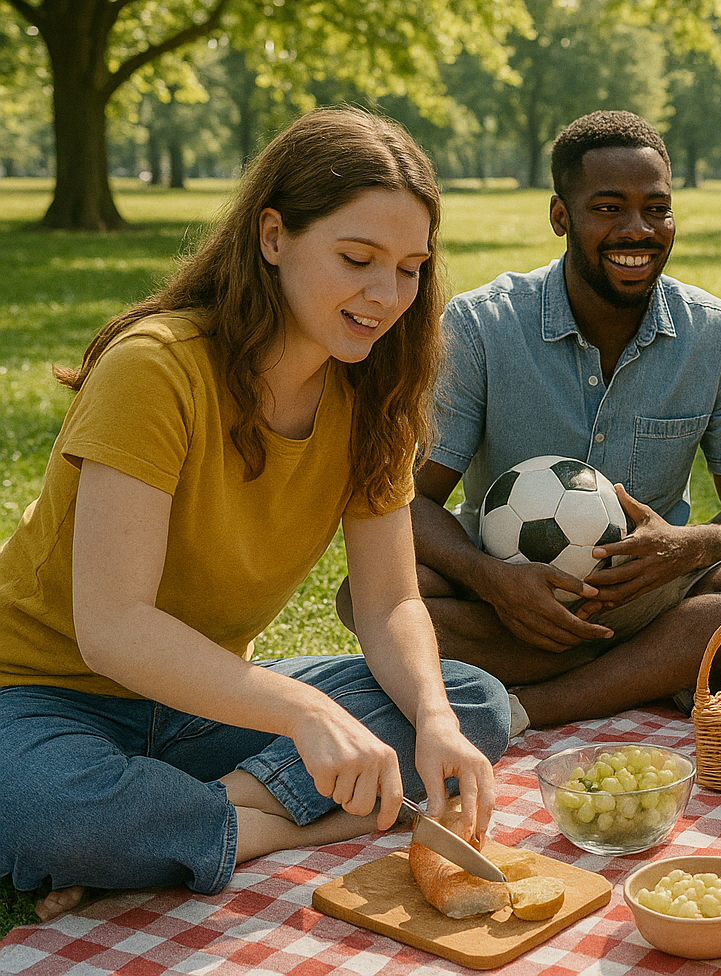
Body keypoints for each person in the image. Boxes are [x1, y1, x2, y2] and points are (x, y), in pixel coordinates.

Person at [0, 108, 512, 924]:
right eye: (357, 259)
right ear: (272, 236)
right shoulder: (156, 370)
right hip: (41, 693)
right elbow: (113, 626)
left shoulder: (374, 397)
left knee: (473, 703)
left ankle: (180, 826)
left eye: (411, 268)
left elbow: (388, 603)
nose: (387, 296)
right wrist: (306, 715)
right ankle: (254, 824)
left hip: (202, 706)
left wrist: (435, 720)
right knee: (55, 813)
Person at [369, 110, 721, 729]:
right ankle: (654, 668)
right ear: (561, 216)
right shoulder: (480, 328)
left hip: (651, 591)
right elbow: (407, 500)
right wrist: (493, 579)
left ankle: (535, 703)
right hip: (510, 600)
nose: (638, 230)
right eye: (609, 208)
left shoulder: (719, 336)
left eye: (656, 209)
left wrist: (691, 545)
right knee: (379, 593)